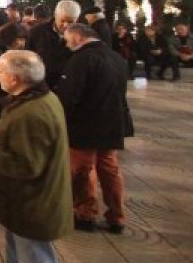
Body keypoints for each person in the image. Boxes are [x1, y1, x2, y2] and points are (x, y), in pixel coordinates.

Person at [0, 50, 71, 263]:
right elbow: (26, 138)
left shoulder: (31, 112)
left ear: (14, 78)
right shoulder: (37, 98)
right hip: (25, 202)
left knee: (32, 256)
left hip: (32, 204)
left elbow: (26, 165)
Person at [55, 23, 128, 234]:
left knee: (83, 170)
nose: (66, 44)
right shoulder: (115, 57)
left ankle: (85, 213)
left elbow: (69, 96)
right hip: (112, 123)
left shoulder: (81, 59)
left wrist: (60, 119)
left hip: (85, 125)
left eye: (67, 38)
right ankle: (117, 216)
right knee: (110, 170)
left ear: (78, 36)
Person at [28, 0, 80, 88]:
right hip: (41, 85)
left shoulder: (81, 37)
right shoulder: (36, 33)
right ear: (55, 15)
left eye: (70, 22)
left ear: (77, 20)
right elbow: (27, 60)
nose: (66, 25)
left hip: (68, 86)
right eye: (62, 20)